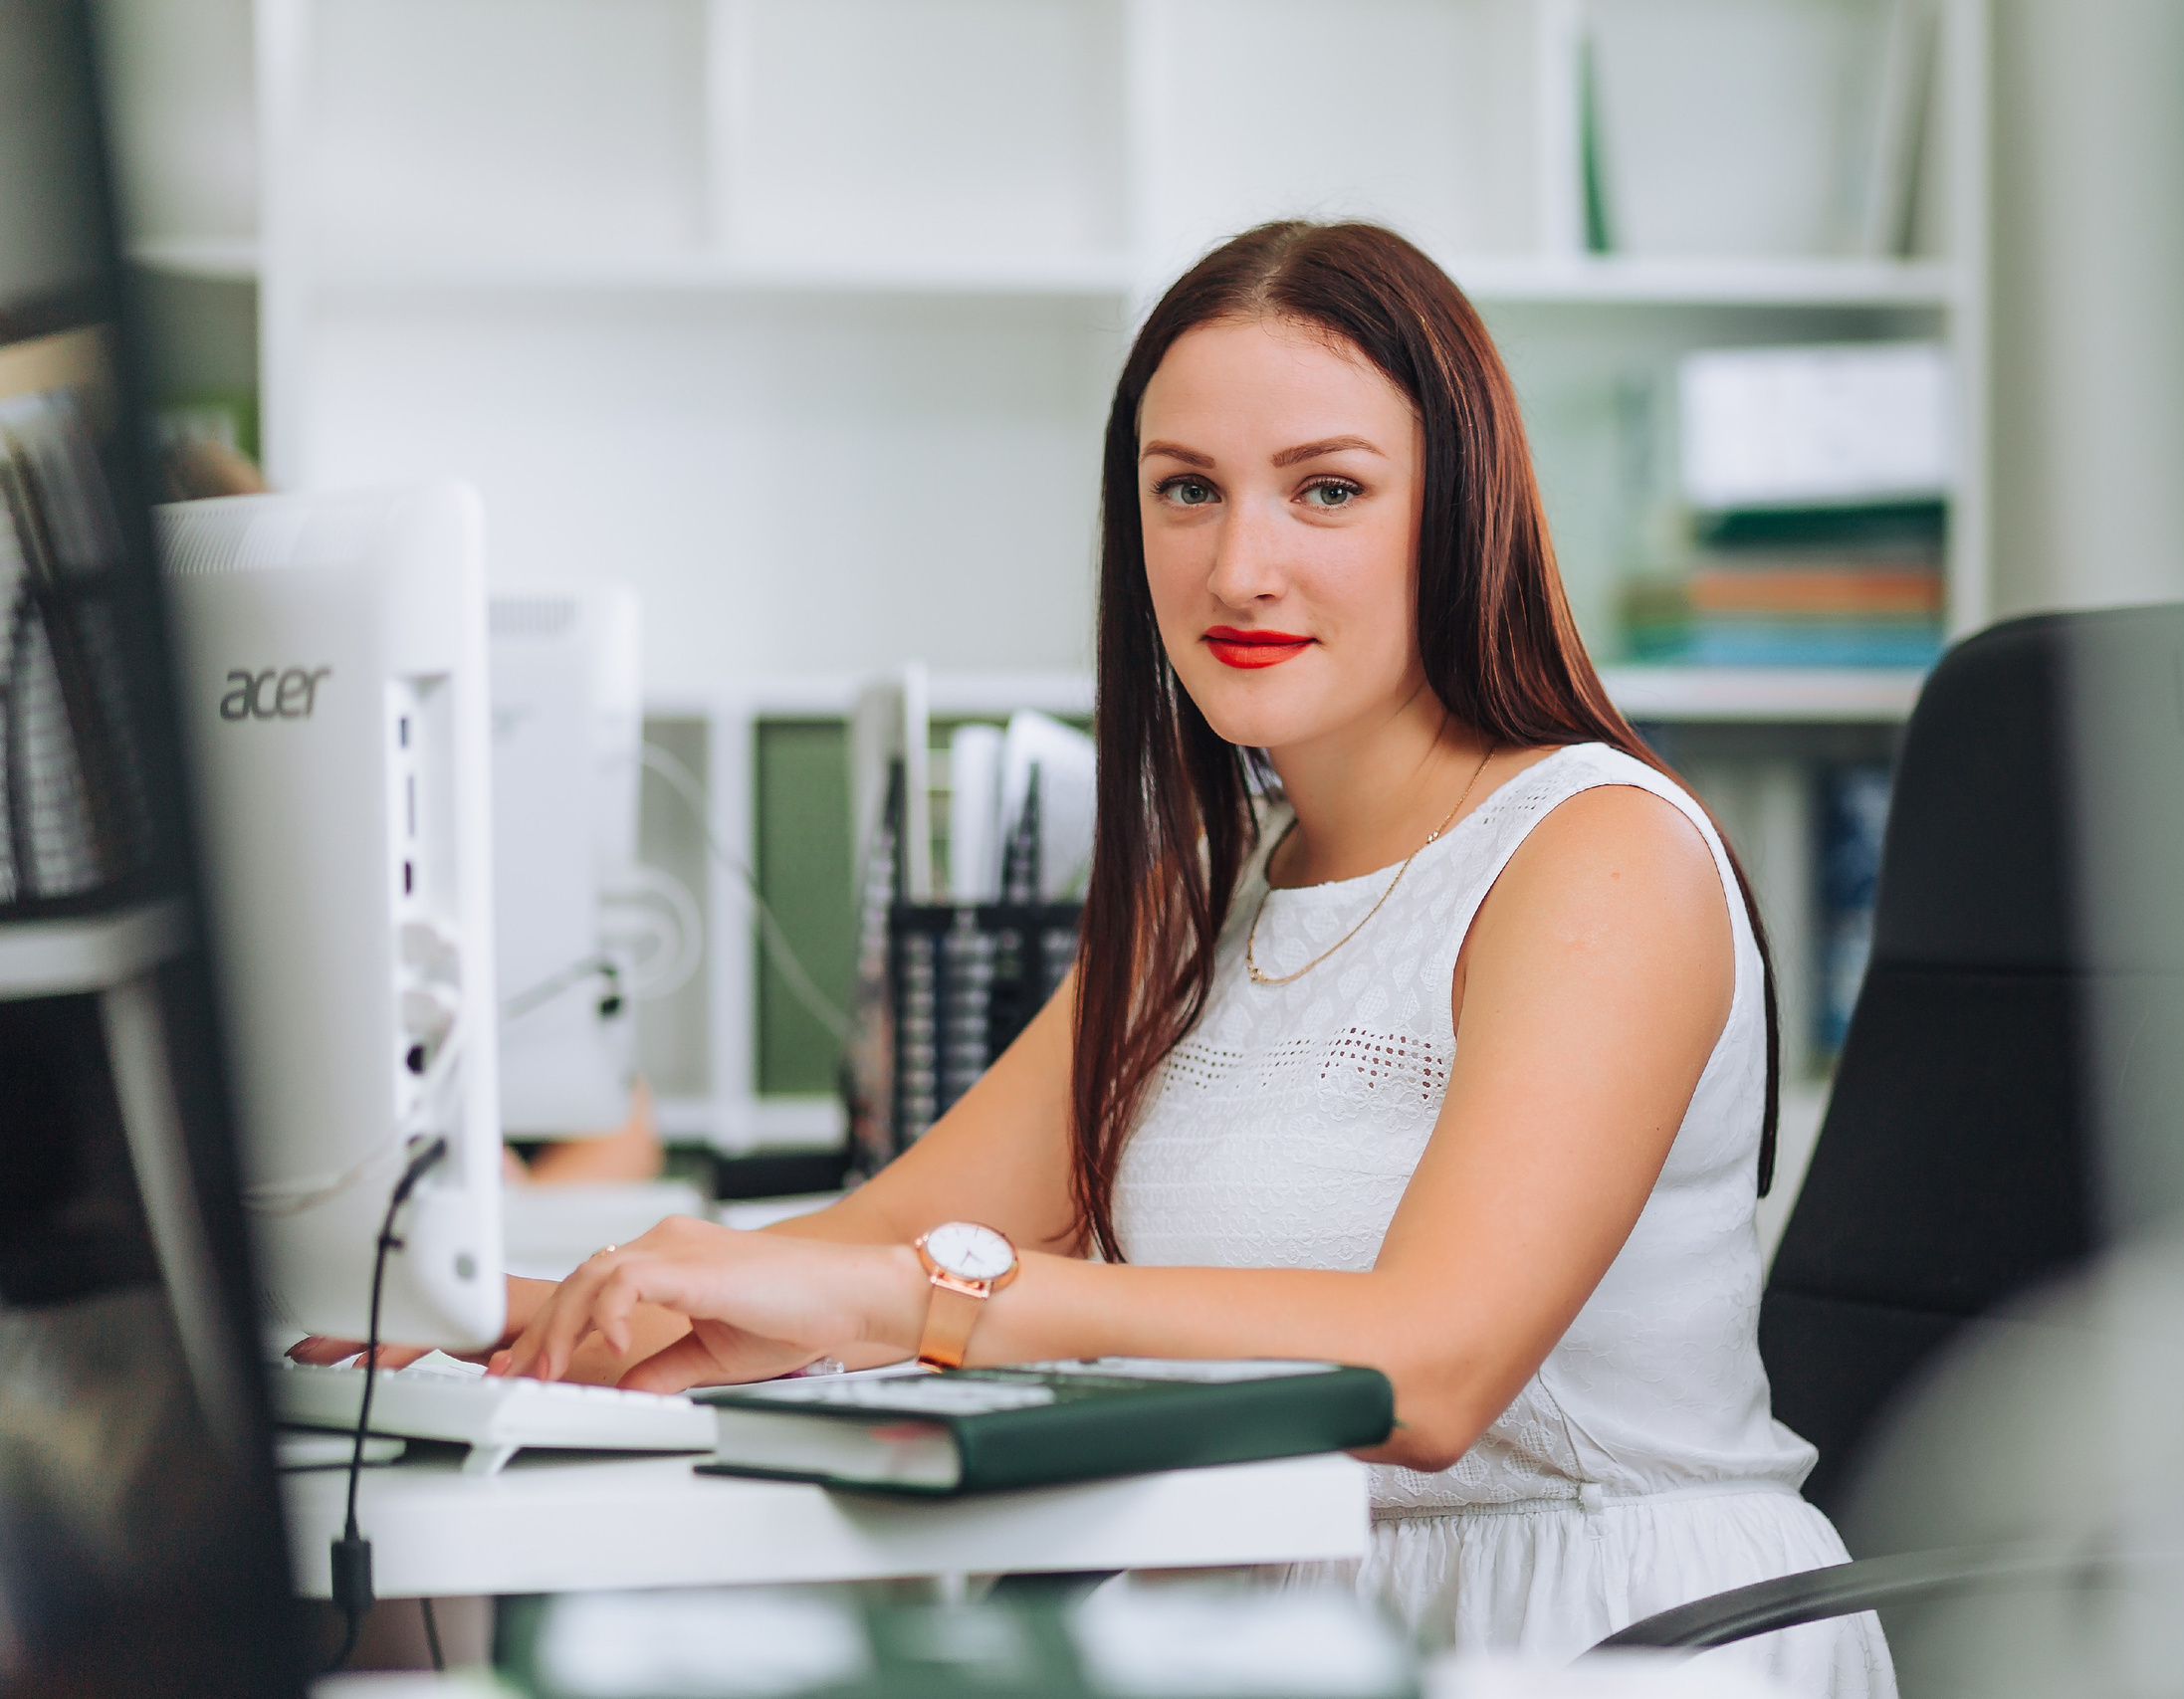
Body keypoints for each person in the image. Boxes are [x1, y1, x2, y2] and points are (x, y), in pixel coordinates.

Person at [477, 221, 1884, 1683]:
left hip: (1588, 1630)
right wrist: (494, 1319)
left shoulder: (1601, 853)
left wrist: (927, 1305)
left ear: (1460, 514)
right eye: (1186, 491)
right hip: (1279, 1623)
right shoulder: (1205, 889)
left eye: (1327, 490)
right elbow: (890, 1233)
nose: (1238, 567)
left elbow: (1430, 1369)